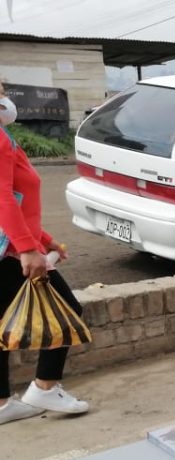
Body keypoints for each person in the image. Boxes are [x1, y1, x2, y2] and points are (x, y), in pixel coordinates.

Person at [0, 83, 89, 425]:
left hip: (13, 244)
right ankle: (45, 386)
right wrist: (27, 248)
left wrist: (44, 239)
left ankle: (3, 403)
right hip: (10, 250)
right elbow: (3, 198)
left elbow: (17, 200)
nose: (6, 100)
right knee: (67, 309)